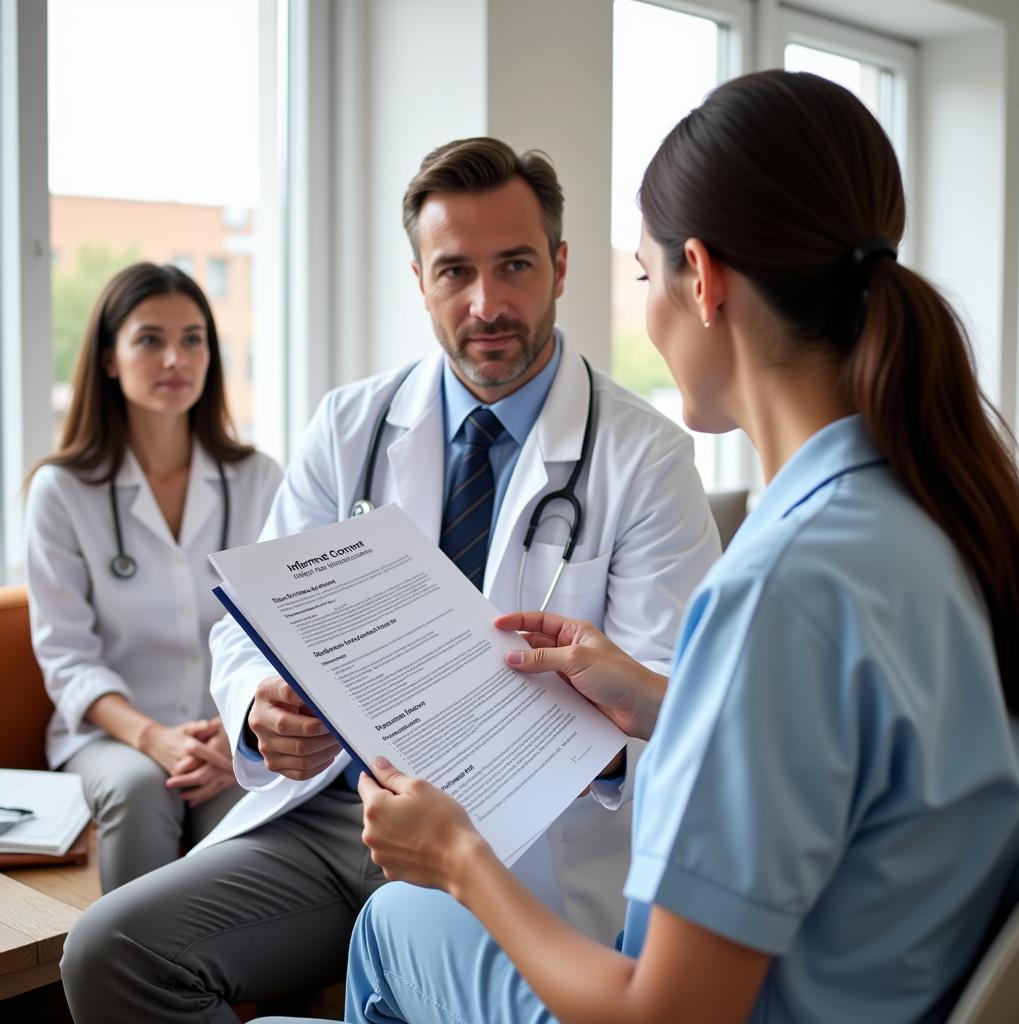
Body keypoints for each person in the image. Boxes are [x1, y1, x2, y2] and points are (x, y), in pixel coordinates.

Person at [258, 70, 1019, 1024]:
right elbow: (839, 746)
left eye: (643, 277)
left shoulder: (781, 587)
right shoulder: (933, 512)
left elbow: (666, 1015)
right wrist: (668, 702)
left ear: (699, 279)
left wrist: (455, 858)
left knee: (395, 918)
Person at [59, 138, 720, 1021]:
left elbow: (676, 703)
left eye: (515, 265)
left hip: (515, 845)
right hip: (339, 813)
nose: (486, 303)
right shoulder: (351, 426)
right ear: (419, 280)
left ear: (560, 266)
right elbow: (245, 622)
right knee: (111, 951)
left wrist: (580, 743)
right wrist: (261, 712)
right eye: (454, 271)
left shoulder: (645, 457)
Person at [25, 262, 282, 893]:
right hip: (111, 735)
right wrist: (153, 738)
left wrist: (237, 737)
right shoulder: (62, 491)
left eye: (193, 338)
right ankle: (125, 984)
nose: (176, 357)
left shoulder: (257, 479)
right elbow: (65, 656)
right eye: (149, 339)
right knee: (141, 789)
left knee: (257, 814)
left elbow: (285, 632)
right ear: (109, 358)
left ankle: (234, 991)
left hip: (230, 734)